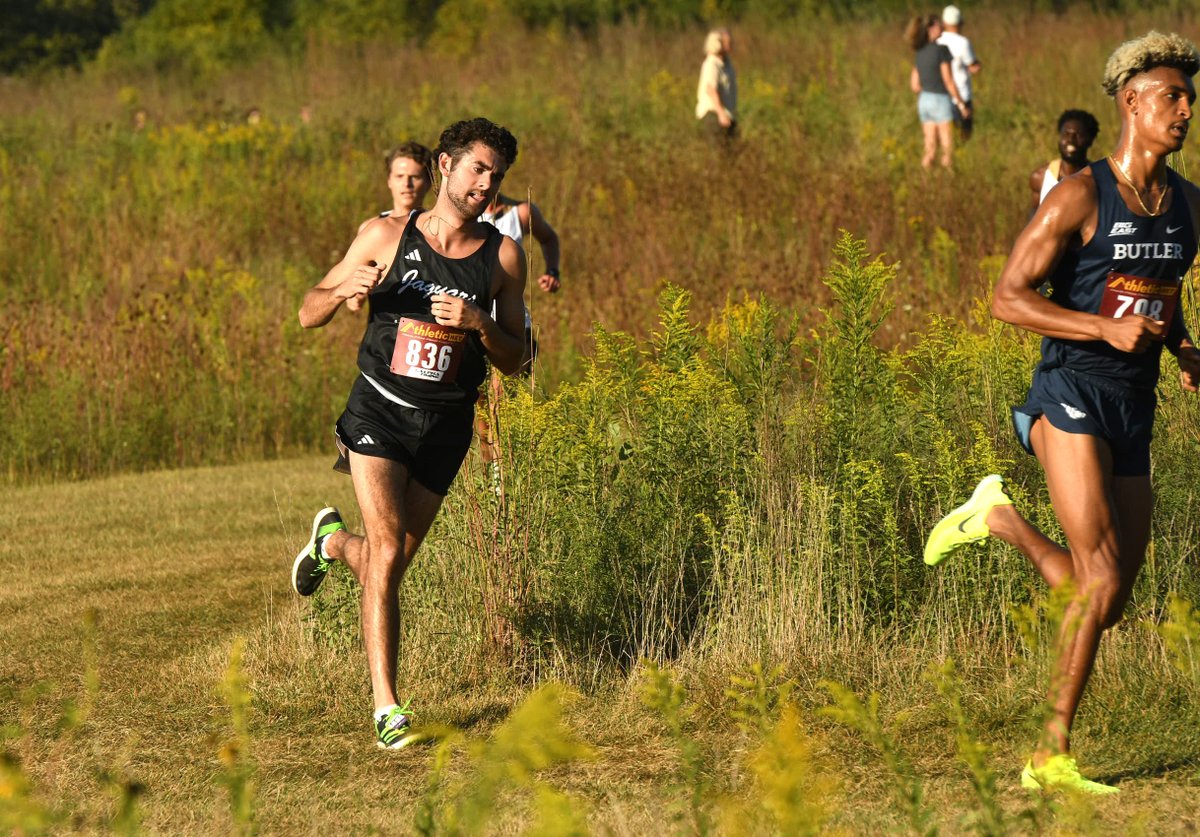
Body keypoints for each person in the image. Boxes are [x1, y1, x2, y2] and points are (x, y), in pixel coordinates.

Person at [924, 31, 1200, 793]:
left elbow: (1160, 291)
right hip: (1069, 388)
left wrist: (1182, 348)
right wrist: (1101, 328)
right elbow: (1006, 297)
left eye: (1190, 98)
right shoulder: (1082, 194)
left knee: (1107, 596)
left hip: (1133, 405)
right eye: (1172, 96)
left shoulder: (1188, 207)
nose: (1185, 109)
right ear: (1131, 103)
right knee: (1101, 575)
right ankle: (1050, 753)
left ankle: (1002, 519)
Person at [291, 117, 527, 749]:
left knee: (386, 564)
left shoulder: (502, 256)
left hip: (446, 426)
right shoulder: (385, 235)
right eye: (477, 168)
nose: (486, 184)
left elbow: (521, 358)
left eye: (496, 175)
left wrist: (480, 322)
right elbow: (308, 311)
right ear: (445, 167)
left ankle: (333, 543)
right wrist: (347, 285)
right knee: (390, 554)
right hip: (379, 413)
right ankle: (387, 708)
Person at [907, 14, 970, 169]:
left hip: (924, 100)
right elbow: (948, 81)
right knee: (947, 148)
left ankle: (925, 181)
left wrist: (928, 87)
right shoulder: (942, 50)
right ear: (931, 28)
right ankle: (949, 183)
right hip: (940, 100)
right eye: (938, 23)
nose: (941, 25)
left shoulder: (919, 52)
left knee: (930, 148)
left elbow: (914, 85)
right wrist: (962, 105)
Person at [357, 142, 435, 234]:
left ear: (429, 182)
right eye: (400, 176)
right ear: (389, 180)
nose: (406, 184)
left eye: (414, 177)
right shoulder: (368, 229)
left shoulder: (436, 229)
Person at [1030, 110, 1100, 210]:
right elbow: (1034, 217)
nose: (1071, 140)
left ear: (1090, 141)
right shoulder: (1040, 177)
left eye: (1078, 135)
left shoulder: (1099, 179)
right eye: (1066, 134)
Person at [937, 5, 981, 141]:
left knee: (946, 138)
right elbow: (973, 66)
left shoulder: (938, 41)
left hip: (942, 95)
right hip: (962, 95)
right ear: (960, 23)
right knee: (964, 135)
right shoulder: (963, 43)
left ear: (944, 23)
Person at [696, 28, 737, 140]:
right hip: (714, 115)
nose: (730, 43)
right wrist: (721, 114)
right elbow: (711, 90)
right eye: (726, 41)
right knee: (719, 152)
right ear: (717, 43)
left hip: (727, 115)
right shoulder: (712, 64)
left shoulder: (727, 63)